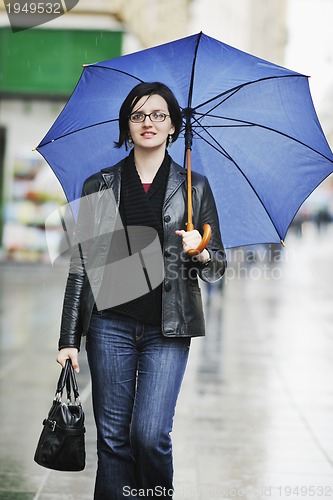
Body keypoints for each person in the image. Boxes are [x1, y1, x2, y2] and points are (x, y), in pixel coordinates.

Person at [56, 82, 226, 499]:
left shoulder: (195, 187)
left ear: (173, 127)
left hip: (167, 329)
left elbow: (218, 266)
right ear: (126, 125)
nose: (147, 123)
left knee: (150, 435)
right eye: (137, 115)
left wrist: (199, 252)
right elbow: (83, 264)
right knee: (112, 441)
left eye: (158, 115)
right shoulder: (100, 184)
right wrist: (68, 339)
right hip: (109, 325)